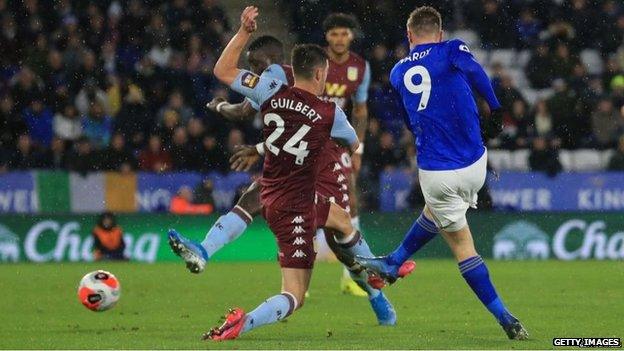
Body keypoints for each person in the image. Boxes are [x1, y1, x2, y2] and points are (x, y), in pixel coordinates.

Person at [167, 7, 405, 341]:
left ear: (275, 61)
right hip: (304, 174)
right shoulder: (310, 99)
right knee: (306, 255)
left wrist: (248, 131)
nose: (256, 71)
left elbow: (233, 88)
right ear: (319, 73)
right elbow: (342, 139)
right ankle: (378, 281)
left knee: (338, 233)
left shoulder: (273, 83)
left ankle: (375, 291)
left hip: (316, 166)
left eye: (258, 65)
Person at [355, 6, 528, 340]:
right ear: (440, 33)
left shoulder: (395, 72)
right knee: (435, 213)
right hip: (476, 164)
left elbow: (408, 118)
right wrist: (496, 107)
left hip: (436, 172)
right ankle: (393, 261)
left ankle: (506, 318)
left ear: (409, 36)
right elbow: (476, 72)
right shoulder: (452, 49)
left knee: (463, 245)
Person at [318, 13, 371, 295]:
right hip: (309, 138)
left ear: (351, 36)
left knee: (350, 199)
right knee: (300, 199)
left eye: (344, 33)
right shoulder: (316, 62)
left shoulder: (360, 67)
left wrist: (358, 146)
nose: (339, 39)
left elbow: (360, 111)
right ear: (326, 37)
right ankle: (298, 278)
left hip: (338, 142)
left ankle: (352, 276)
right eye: (334, 34)